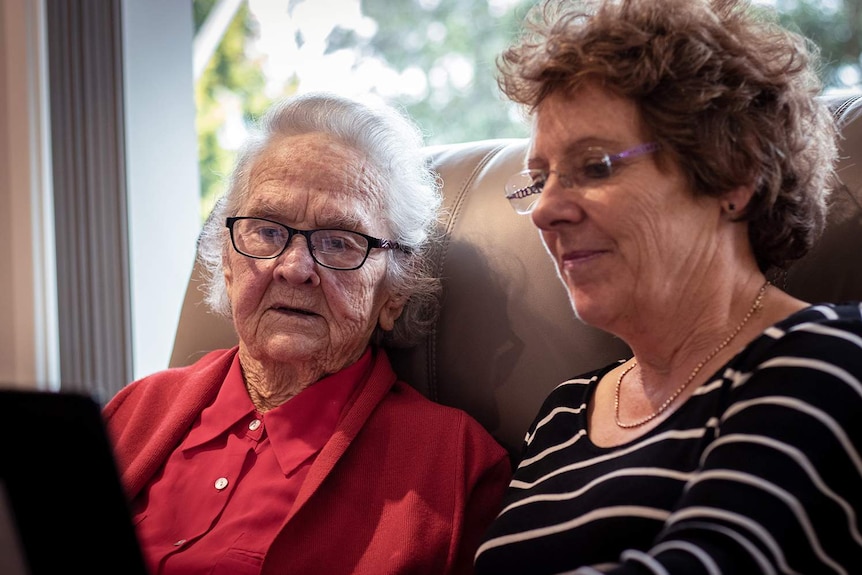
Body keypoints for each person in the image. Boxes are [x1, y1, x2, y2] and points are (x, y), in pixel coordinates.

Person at [474, 0, 862, 573]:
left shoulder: (827, 356)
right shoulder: (561, 415)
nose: (544, 210)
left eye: (596, 165)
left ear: (733, 176)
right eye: (538, 180)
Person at [102, 92, 511, 575]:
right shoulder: (133, 412)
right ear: (228, 263)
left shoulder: (456, 467)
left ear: (394, 292)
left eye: (339, 241)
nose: (294, 268)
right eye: (268, 231)